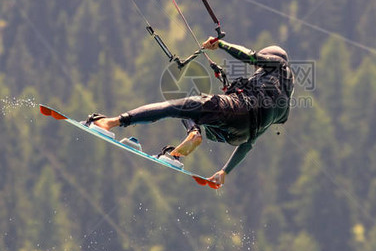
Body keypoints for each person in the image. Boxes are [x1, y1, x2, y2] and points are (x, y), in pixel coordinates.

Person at [86, 37, 293, 187]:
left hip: (237, 109)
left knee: (178, 106)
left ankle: (111, 123)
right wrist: (224, 171)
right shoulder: (283, 105)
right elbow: (250, 143)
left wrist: (221, 44)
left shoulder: (279, 65)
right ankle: (177, 153)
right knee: (195, 113)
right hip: (237, 134)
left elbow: (251, 57)